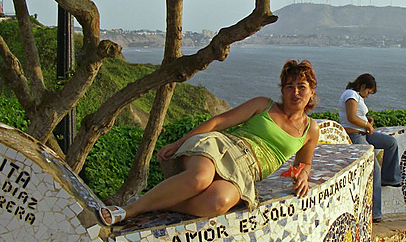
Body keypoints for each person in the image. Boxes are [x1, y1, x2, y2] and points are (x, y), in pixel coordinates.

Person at [99, 60, 320, 224]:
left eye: (302, 87)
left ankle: (157, 202)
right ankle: (130, 210)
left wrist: (302, 174)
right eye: (289, 86)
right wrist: (179, 143)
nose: (295, 92)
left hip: (246, 172)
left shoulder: (311, 129)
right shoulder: (263, 104)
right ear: (282, 90)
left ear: (311, 92)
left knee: (218, 202)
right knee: (199, 179)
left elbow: (304, 163)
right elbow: (218, 122)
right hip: (223, 148)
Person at [338, 73, 401, 223]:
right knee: (374, 168)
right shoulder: (350, 94)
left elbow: (358, 116)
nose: (367, 96)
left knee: (391, 143)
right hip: (355, 136)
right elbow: (351, 117)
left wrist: (368, 121)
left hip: (364, 133)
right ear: (362, 86)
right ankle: (374, 213)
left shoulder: (358, 97)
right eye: (368, 92)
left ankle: (390, 178)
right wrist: (366, 124)